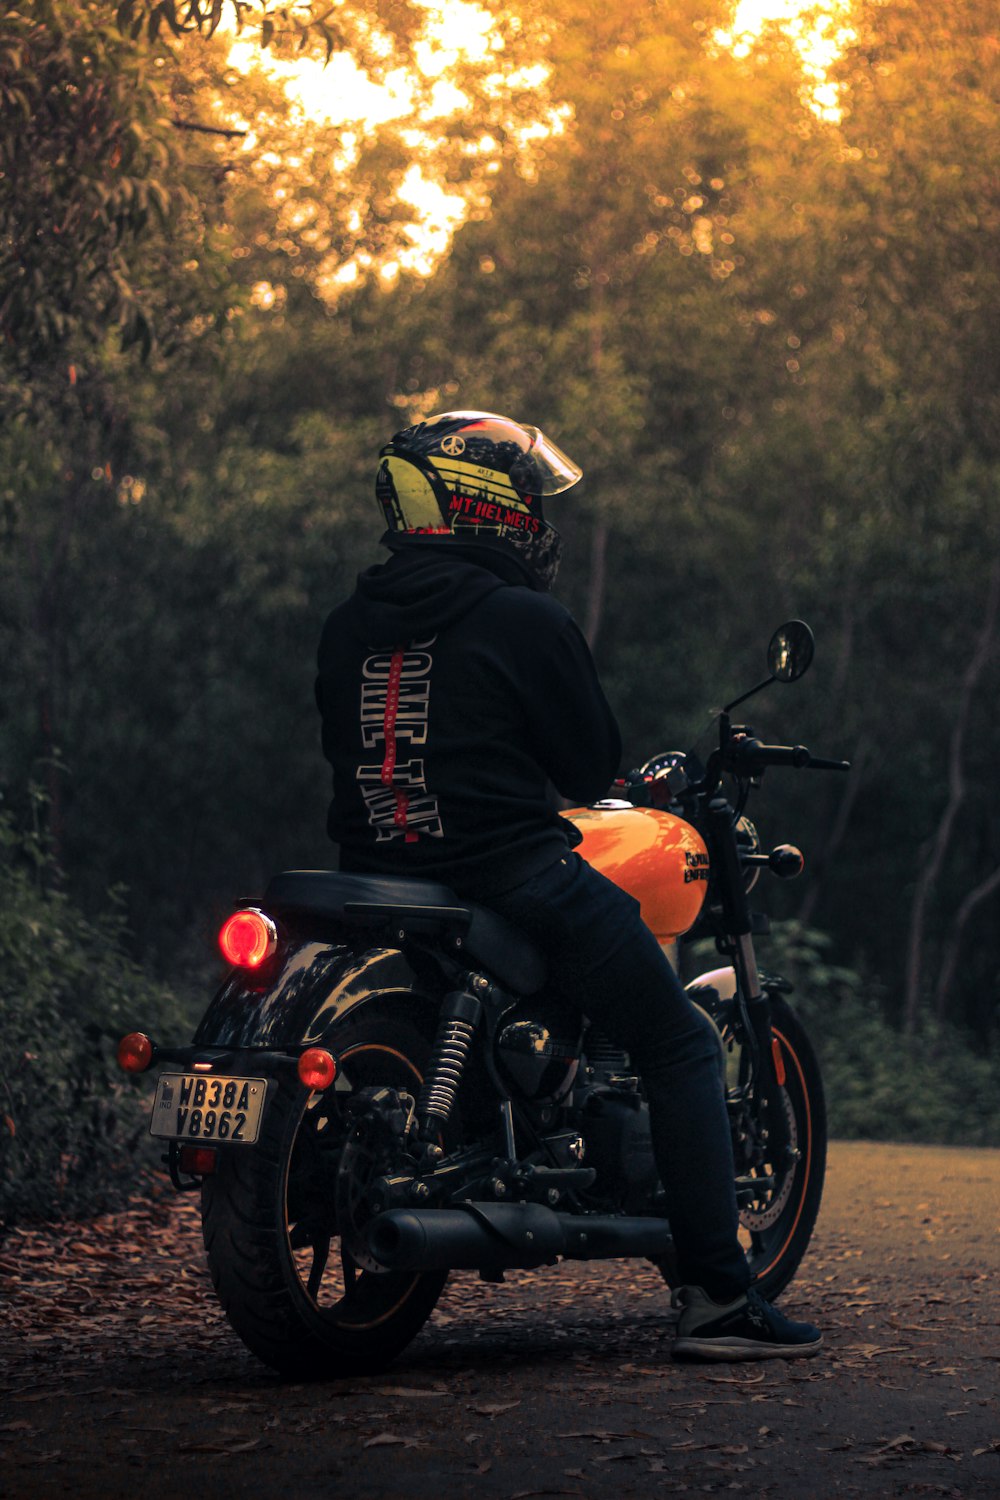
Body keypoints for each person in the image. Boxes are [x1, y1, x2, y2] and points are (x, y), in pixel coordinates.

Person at [315, 409, 822, 1362]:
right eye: (531, 498)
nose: (542, 517)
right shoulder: (524, 618)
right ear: (483, 506)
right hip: (508, 875)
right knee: (676, 1041)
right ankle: (719, 1296)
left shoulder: (349, 625)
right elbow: (590, 764)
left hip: (376, 880)